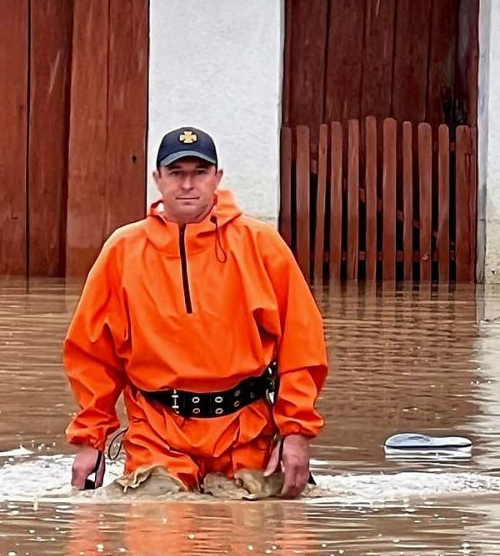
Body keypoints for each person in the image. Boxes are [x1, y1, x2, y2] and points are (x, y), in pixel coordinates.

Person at [64, 126, 328, 498]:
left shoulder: (261, 244)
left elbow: (302, 346)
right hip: (157, 436)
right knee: (155, 534)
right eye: (176, 173)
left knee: (263, 537)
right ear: (157, 179)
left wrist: (295, 433)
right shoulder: (122, 251)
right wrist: (91, 440)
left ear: (217, 178)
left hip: (247, 437)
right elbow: (93, 354)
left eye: (199, 173)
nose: (188, 184)